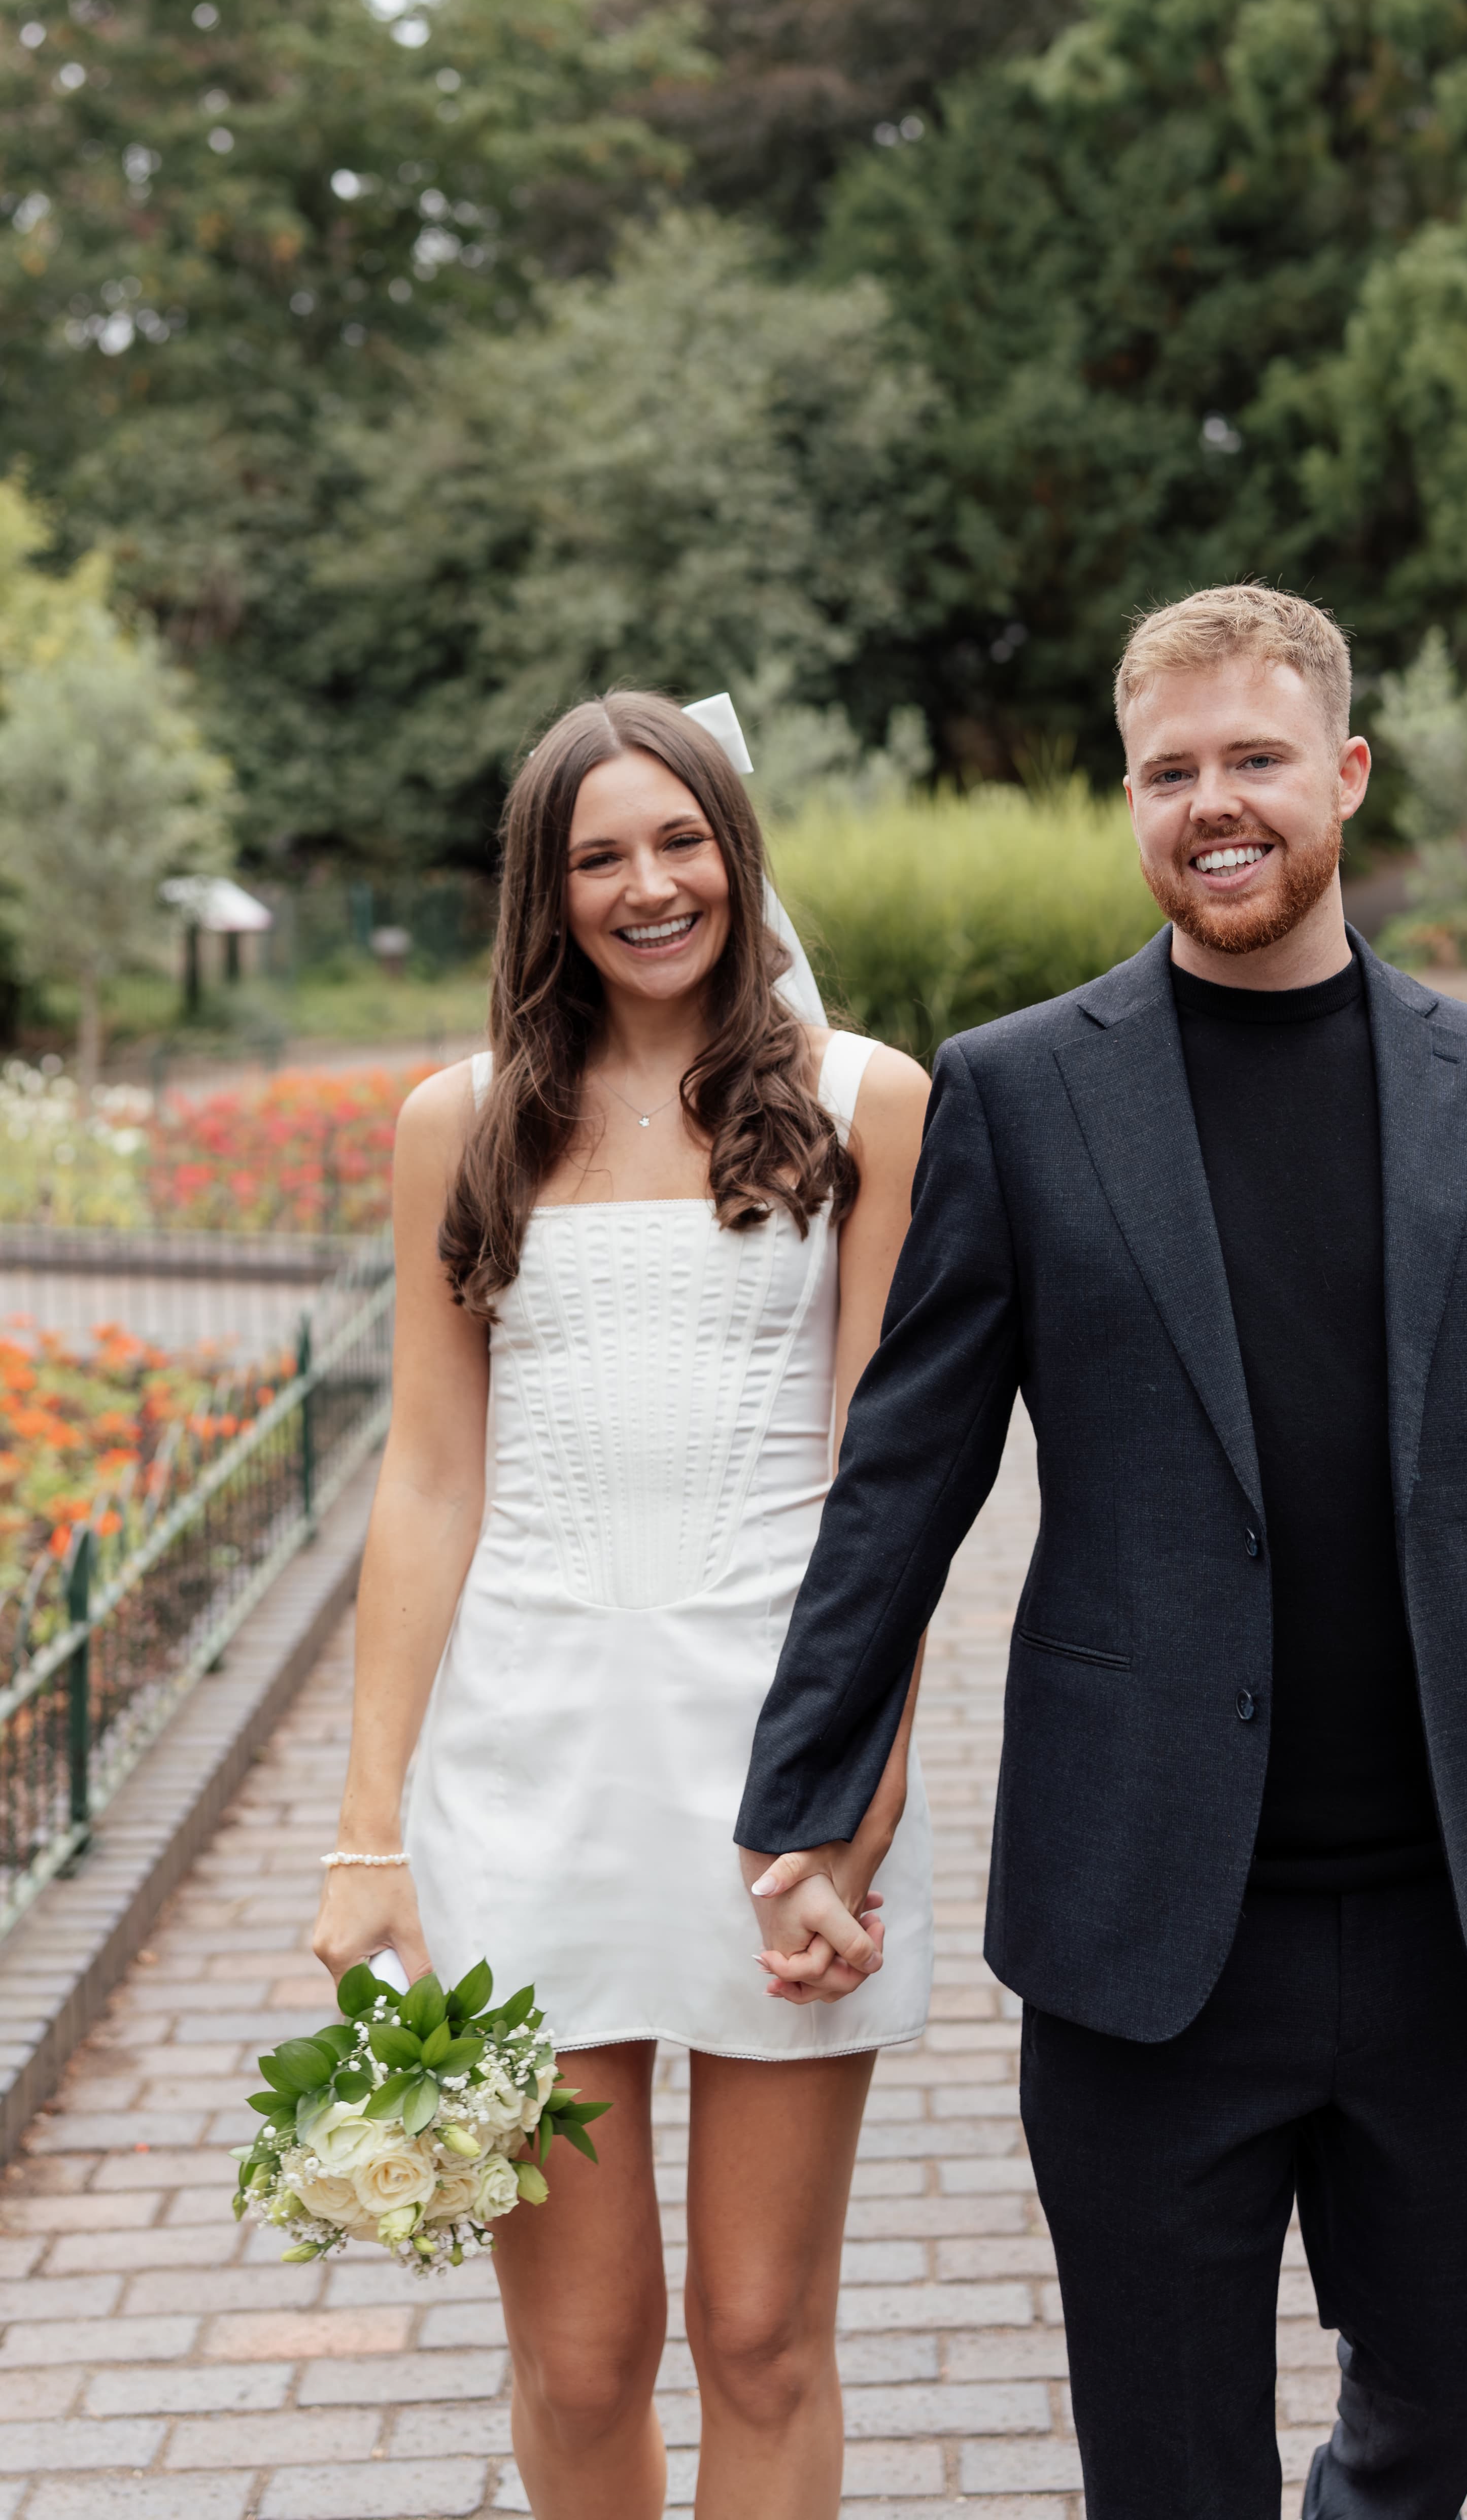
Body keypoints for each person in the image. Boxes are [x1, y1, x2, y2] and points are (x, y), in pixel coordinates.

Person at [737, 585, 1467, 2519]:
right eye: (1168, 772)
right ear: (1131, 803)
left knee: (1441, 2388)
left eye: (1254, 760)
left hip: (1458, 1924)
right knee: (1170, 2468)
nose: (1215, 805)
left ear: (1343, 776)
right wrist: (802, 1807)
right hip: (1147, 1926)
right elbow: (904, 1483)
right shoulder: (1023, 1093)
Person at [314, 689, 932, 2520]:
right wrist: (369, 1836)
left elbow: (882, 1501)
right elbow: (426, 1481)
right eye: (600, 855)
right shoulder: (462, 1124)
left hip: (782, 1762)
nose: (648, 886)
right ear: (545, 886)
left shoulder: (862, 1102)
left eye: (681, 842)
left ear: (737, 854)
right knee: (581, 2357)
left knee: (762, 2338)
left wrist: (858, 1815)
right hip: (522, 1774)